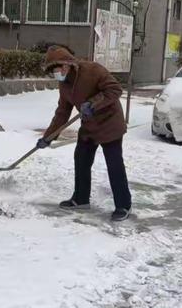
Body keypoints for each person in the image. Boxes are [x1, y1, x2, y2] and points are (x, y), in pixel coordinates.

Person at [37, 46, 132, 221]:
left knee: (114, 164)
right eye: (53, 72)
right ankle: (81, 199)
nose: (57, 74)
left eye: (57, 70)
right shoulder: (64, 84)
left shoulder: (93, 70)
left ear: (67, 65)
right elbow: (62, 112)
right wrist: (48, 137)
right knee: (81, 158)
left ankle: (123, 205)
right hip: (89, 126)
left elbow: (115, 89)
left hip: (110, 123)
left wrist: (93, 103)